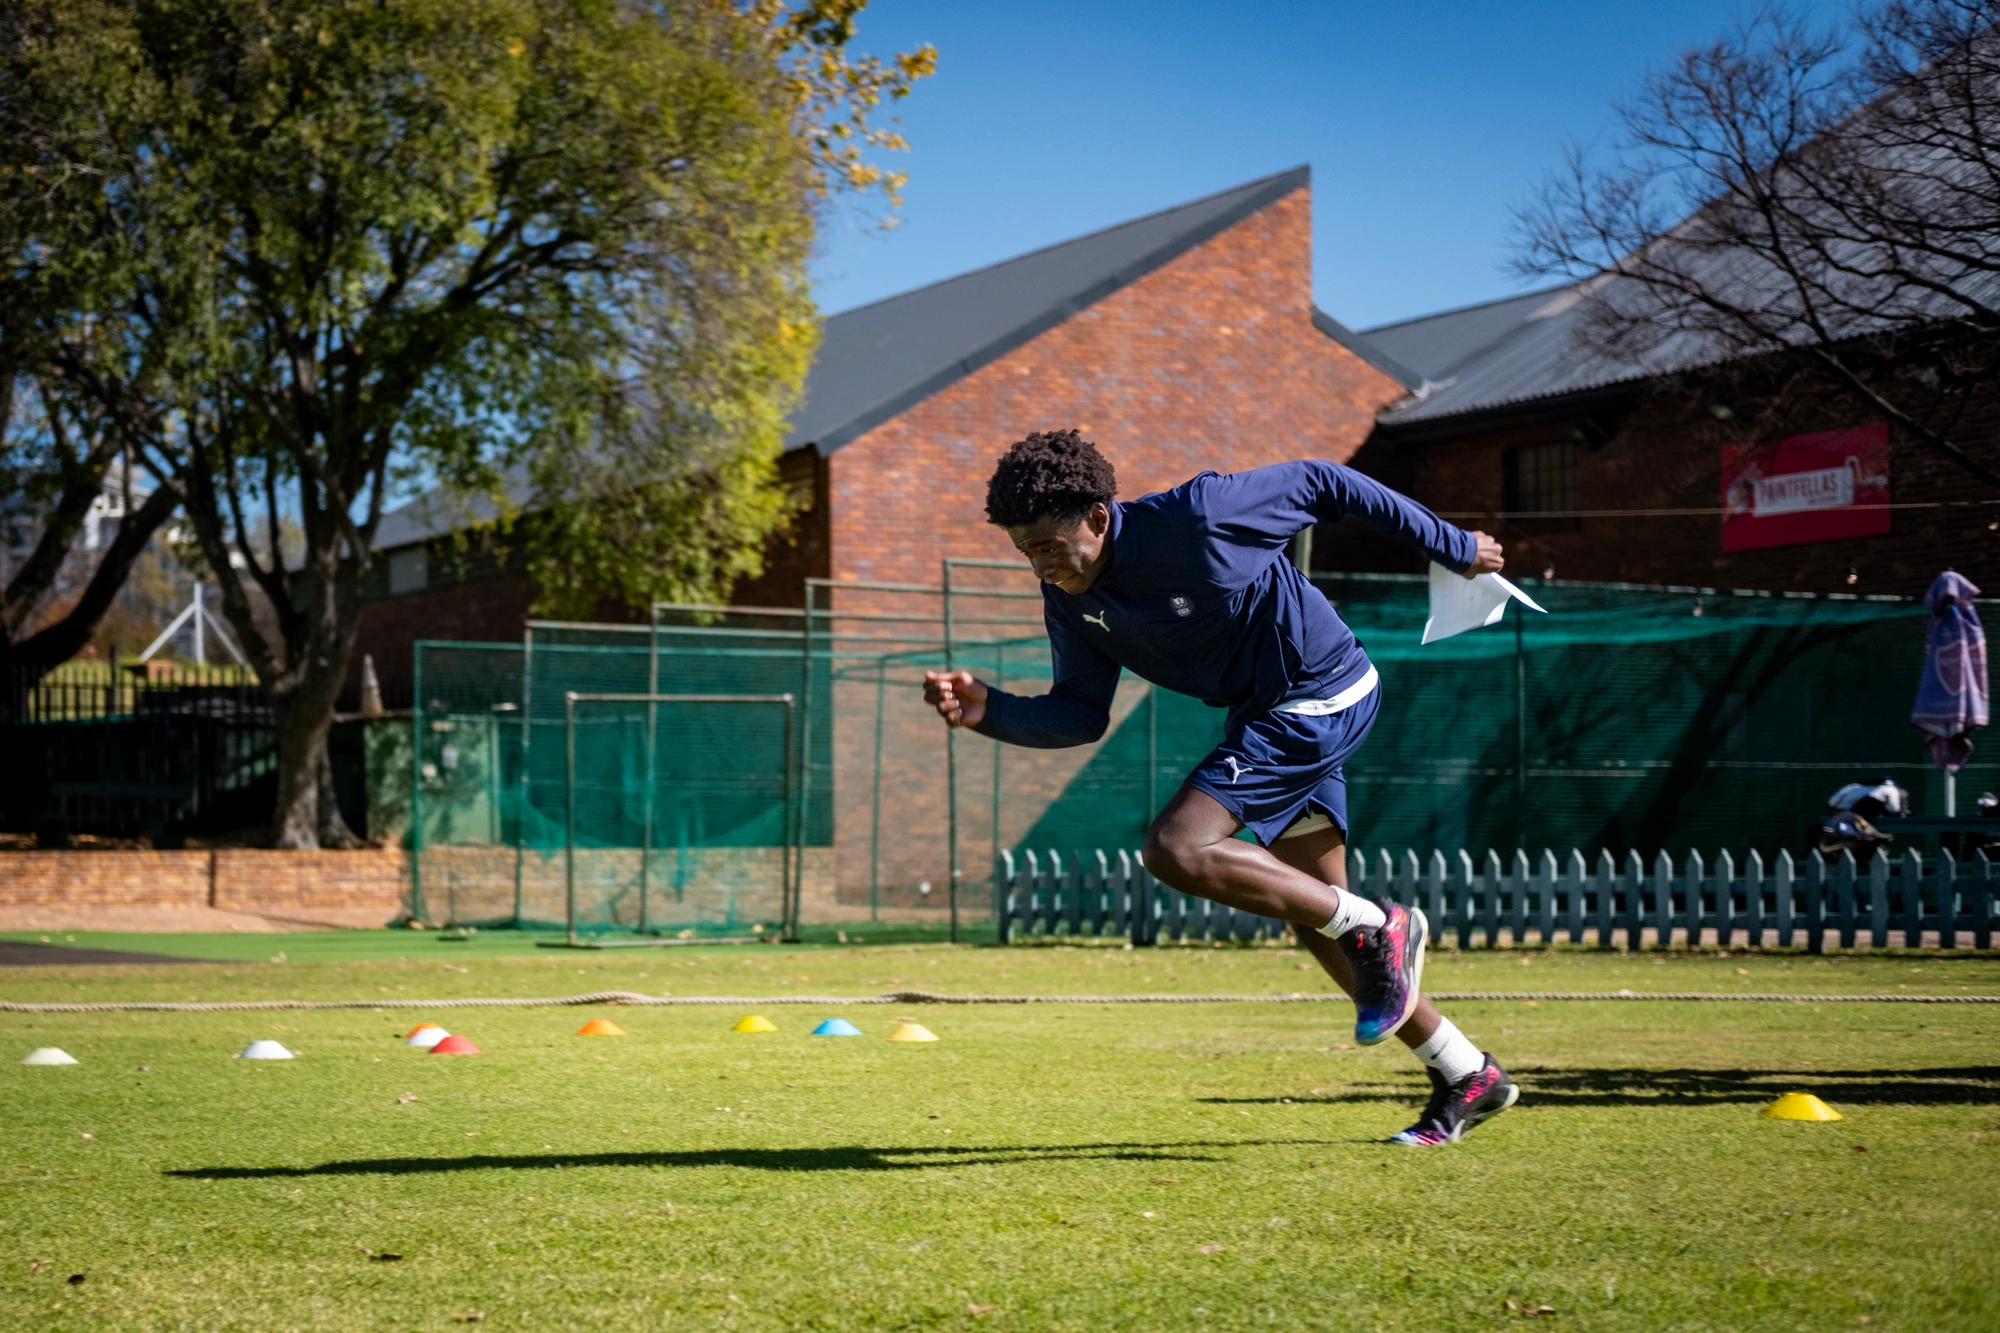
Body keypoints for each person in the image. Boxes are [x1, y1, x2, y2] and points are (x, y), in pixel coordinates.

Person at [924, 429, 1518, 1146]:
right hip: (1265, 713)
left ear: (1100, 516)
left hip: (1323, 690)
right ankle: (1465, 1071)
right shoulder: (1070, 598)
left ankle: (1381, 925)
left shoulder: (1199, 518)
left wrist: (1449, 544)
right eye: (1026, 553)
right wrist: (992, 710)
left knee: (1177, 846)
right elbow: (1080, 713)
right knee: (1317, 914)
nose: (1041, 566)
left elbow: (1326, 479)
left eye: (1049, 546)